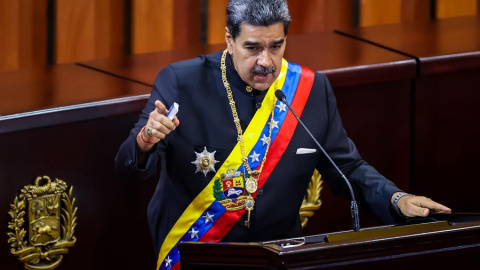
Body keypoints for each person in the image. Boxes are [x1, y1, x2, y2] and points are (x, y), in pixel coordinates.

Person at [115, 0, 451, 269]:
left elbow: (348, 170)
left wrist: (396, 199)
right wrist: (145, 143)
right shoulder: (181, 83)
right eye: (252, 47)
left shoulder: (310, 90)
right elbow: (127, 167)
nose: (266, 61)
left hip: (279, 257)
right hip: (199, 256)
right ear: (229, 40)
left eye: (276, 46)